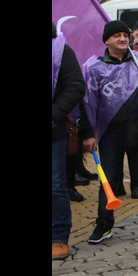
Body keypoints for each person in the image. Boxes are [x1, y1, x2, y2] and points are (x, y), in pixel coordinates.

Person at [80, 20, 138, 244]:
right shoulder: (93, 67)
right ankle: (104, 224)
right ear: (107, 40)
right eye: (117, 35)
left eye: (125, 35)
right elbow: (85, 104)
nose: (122, 39)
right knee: (109, 180)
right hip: (110, 133)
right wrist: (88, 133)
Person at [52, 23, 86, 260]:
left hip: (53, 131)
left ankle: (58, 238)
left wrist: (54, 113)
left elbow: (75, 87)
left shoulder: (61, 51)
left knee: (55, 185)